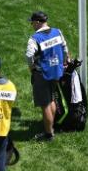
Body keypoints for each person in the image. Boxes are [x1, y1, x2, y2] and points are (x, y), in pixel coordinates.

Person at [26, 10, 70, 141]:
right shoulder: (57, 32)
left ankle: (48, 134)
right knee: (51, 98)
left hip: (42, 74)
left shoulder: (34, 39)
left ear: (38, 22)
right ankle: (51, 127)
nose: (32, 25)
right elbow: (65, 48)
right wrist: (66, 59)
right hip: (56, 71)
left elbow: (29, 56)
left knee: (45, 104)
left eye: (32, 22)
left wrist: (31, 67)